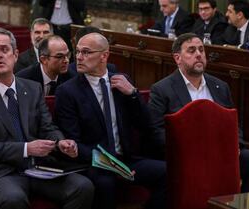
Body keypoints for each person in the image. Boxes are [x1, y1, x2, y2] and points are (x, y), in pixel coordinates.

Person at [0, 28, 94, 209]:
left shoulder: (32, 89)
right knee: (13, 198)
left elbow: (47, 127)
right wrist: (26, 149)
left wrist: (60, 142)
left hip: (37, 168)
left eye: (5, 49)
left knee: (83, 187)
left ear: (16, 55)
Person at [55, 32, 166, 209]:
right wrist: (113, 165)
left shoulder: (121, 81)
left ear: (104, 55)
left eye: (86, 52)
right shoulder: (67, 92)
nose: (79, 58)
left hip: (127, 158)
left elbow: (146, 125)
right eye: (77, 52)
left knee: (166, 172)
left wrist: (133, 94)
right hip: (95, 162)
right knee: (106, 185)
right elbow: (73, 141)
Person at [148, 32, 249, 192]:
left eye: (201, 50)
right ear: (177, 58)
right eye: (191, 50)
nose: (198, 55)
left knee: (247, 158)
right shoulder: (162, 89)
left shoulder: (220, 86)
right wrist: (187, 149)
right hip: (187, 152)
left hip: (220, 149)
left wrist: (235, 145)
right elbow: (156, 131)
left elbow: (233, 123)